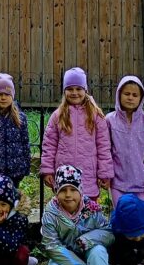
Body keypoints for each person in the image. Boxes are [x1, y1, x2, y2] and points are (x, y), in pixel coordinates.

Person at [41, 165, 116, 265]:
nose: (68, 195)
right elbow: (51, 245)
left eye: (73, 190)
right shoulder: (51, 213)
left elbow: (108, 232)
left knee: (99, 251)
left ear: (81, 190)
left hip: (88, 248)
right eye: (63, 190)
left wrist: (87, 240)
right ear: (56, 191)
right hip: (65, 254)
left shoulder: (92, 209)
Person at [40, 67, 113, 201]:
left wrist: (104, 173)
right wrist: (47, 171)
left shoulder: (96, 116)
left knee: (87, 215)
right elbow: (49, 145)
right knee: (65, 213)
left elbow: (103, 146)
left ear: (85, 90)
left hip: (88, 176)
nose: (74, 93)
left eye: (78, 89)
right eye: (70, 89)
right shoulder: (58, 116)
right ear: (64, 91)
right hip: (64, 178)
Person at [106, 76, 144, 204]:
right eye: (126, 94)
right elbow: (105, 148)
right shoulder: (110, 120)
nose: (130, 98)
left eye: (135, 95)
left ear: (141, 98)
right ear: (119, 95)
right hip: (117, 182)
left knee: (139, 218)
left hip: (141, 182)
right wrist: (108, 172)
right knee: (121, 215)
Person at [0, 73, 31, 187]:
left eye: (7, 94)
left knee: (12, 201)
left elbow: (25, 143)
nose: (3, 97)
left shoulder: (20, 118)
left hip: (15, 171)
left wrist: (26, 165)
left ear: (12, 96)